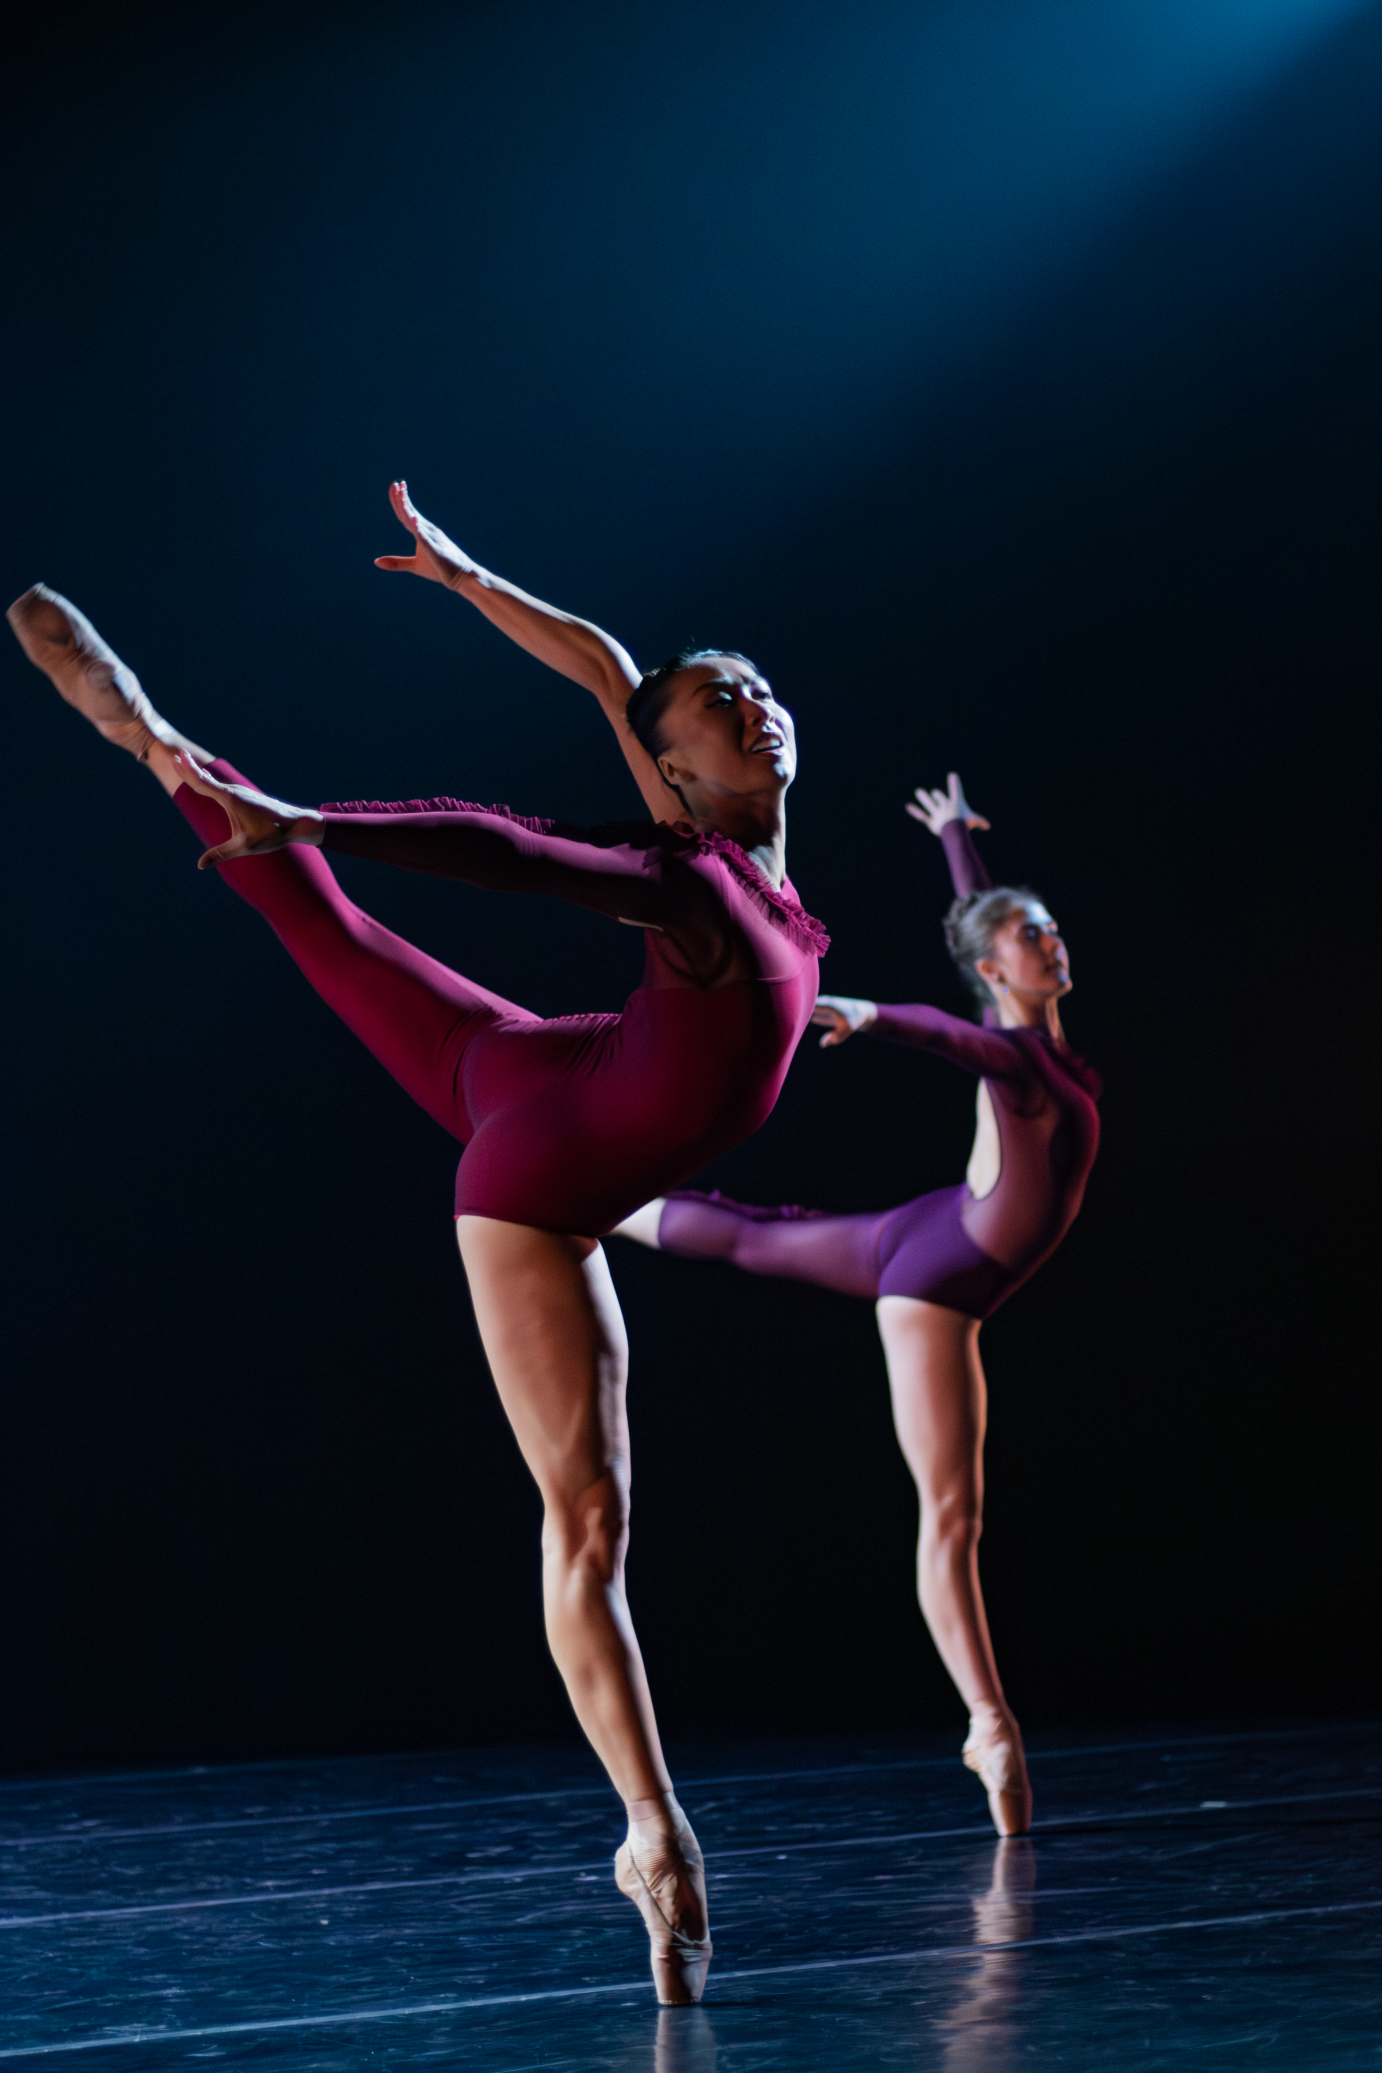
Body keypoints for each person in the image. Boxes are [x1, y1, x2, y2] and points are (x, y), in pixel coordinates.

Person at [7, 482, 828, 2003]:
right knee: (586, 1518)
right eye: (721, 703)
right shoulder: (690, 876)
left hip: (537, 1065)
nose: (755, 708)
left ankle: (170, 755)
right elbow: (507, 850)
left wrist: (463, 577)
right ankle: (653, 1833)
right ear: (674, 765)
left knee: (329, 933)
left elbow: (599, 659)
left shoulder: (734, 836)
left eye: (760, 689)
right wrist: (324, 817)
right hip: (533, 1170)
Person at [614, 775, 1100, 1835]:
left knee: (757, 1232)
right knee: (950, 1514)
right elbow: (954, 1035)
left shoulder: (1036, 1039)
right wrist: (870, 1013)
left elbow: (975, 966)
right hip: (937, 1280)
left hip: (930, 1230)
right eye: (1031, 934)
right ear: (993, 967)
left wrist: (957, 850)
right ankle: (988, 1725)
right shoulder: (1012, 1056)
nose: (1051, 941)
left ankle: (609, 1203)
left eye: (1051, 927)